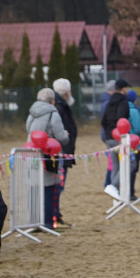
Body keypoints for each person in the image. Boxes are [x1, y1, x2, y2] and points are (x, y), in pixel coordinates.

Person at [26, 88, 70, 228]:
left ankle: (34, 221)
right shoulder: (53, 114)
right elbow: (61, 137)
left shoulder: (32, 113)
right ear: (52, 101)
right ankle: (48, 222)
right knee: (49, 188)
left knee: (34, 188)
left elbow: (28, 129)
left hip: (32, 155)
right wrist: (66, 134)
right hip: (48, 155)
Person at [52, 78, 77, 229]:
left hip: (64, 151)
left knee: (58, 186)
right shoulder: (60, 107)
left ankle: (56, 214)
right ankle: (54, 215)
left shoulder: (61, 105)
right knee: (58, 186)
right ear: (67, 92)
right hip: (61, 153)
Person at [100, 78, 130, 199]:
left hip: (109, 136)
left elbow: (103, 121)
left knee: (115, 165)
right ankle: (113, 186)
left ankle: (115, 193)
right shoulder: (123, 102)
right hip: (119, 136)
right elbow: (122, 119)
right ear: (123, 89)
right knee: (126, 164)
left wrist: (109, 132)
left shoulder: (109, 102)